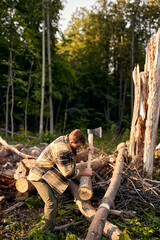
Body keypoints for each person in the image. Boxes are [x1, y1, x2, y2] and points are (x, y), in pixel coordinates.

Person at [27, 129, 93, 233]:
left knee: (54, 199)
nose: (79, 148)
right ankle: (47, 232)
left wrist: (85, 153)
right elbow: (68, 173)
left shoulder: (66, 140)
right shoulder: (61, 149)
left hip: (49, 173)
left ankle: (50, 226)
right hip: (40, 175)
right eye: (78, 146)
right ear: (71, 142)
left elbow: (71, 159)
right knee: (51, 202)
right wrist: (85, 172)